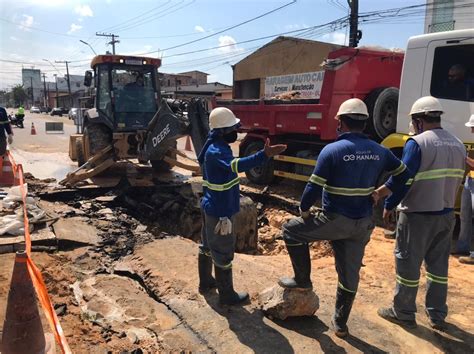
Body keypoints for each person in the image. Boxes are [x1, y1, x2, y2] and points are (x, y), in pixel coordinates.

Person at [277, 98, 410, 338]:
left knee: (291, 231)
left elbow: (312, 188)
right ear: (365, 122)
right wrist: (382, 192)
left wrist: (304, 210)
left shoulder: (333, 150)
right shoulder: (380, 151)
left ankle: (303, 280)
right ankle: (340, 324)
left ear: (341, 122)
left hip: (335, 220)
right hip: (363, 224)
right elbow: (404, 174)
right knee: (349, 275)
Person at [374, 96, 466, 330]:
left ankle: (403, 312)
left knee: (408, 264)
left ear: (418, 120)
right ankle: (437, 315)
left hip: (418, 215)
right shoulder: (457, 143)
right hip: (446, 216)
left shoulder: (417, 143)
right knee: (438, 268)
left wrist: (389, 202)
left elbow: (404, 178)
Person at [197, 107, 287, 305]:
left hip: (211, 205)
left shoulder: (214, 145)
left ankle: (205, 283)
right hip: (220, 211)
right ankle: (227, 295)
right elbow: (236, 166)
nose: (235, 132)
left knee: (207, 245)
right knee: (223, 251)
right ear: (222, 131)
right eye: (232, 128)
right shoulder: (217, 151)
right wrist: (263, 155)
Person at [458, 114, 474, 265]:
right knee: (465, 215)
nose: (471, 131)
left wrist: (463, 156)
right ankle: (463, 247)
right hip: (470, 179)